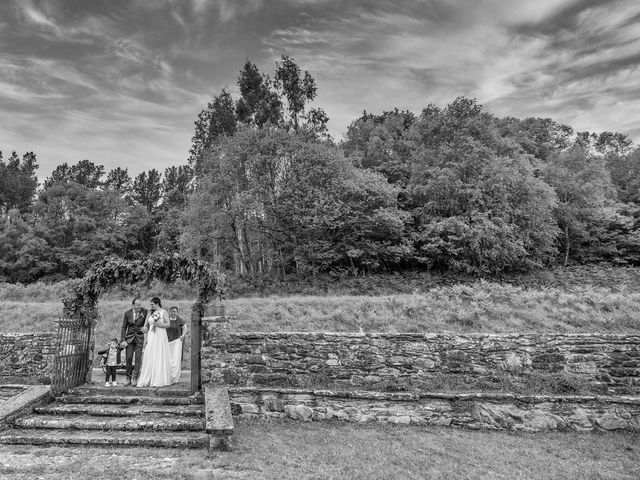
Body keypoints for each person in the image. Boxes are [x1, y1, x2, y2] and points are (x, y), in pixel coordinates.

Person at [136, 297, 174, 388]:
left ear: (157, 303)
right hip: (151, 335)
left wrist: (159, 325)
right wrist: (145, 328)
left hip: (160, 335)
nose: (151, 306)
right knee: (150, 354)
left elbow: (168, 324)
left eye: (152, 304)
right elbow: (146, 324)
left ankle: (158, 378)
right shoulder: (150, 312)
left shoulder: (163, 312)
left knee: (159, 354)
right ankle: (147, 378)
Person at [120, 297, 148, 386]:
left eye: (140, 305)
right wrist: (123, 340)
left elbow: (148, 323)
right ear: (133, 305)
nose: (139, 306)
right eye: (137, 305)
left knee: (138, 359)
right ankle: (128, 378)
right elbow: (124, 327)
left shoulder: (145, 312)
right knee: (128, 358)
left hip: (140, 338)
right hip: (129, 338)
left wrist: (146, 328)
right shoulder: (127, 313)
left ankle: (135, 378)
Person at [167, 306, 188, 382]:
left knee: (176, 357)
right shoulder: (166, 319)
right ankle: (168, 372)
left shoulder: (180, 320)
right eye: (172, 311)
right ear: (170, 312)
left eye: (174, 311)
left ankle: (176, 373)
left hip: (176, 342)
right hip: (168, 342)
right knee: (168, 357)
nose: (173, 313)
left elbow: (185, 327)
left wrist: (183, 335)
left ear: (177, 312)